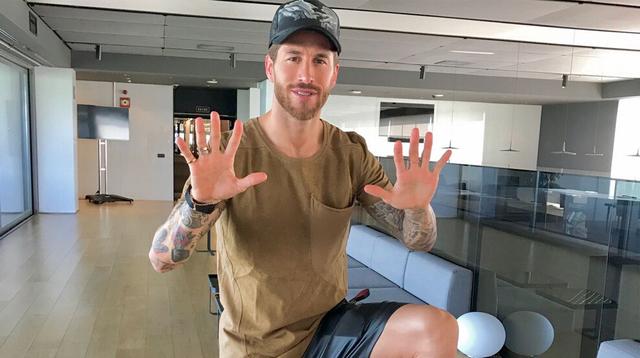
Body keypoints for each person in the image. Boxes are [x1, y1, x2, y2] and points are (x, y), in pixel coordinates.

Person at [149, 0, 457, 356]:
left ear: (334, 73)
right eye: (293, 57)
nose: (306, 75)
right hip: (256, 346)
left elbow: (418, 241)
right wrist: (199, 203)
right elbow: (161, 260)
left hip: (329, 328)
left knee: (436, 329)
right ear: (271, 67)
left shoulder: (350, 152)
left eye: (320, 60)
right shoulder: (229, 152)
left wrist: (419, 208)